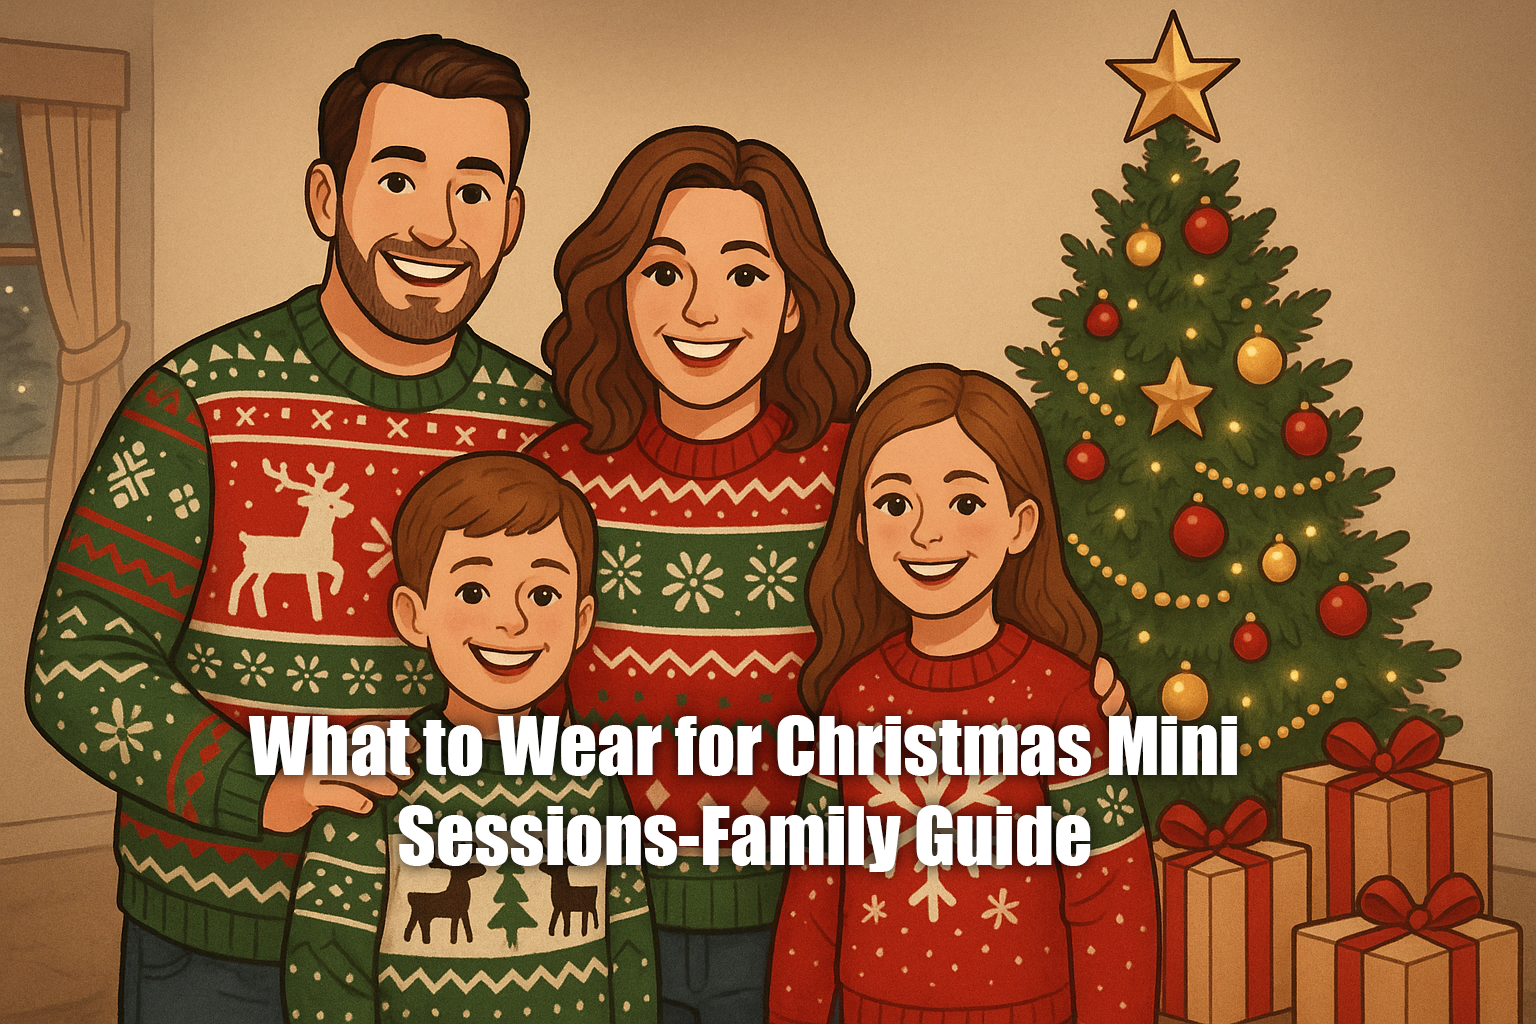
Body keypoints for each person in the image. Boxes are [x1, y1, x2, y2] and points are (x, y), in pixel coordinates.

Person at [532, 128, 1131, 1023]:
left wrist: (1076, 687)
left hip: (816, 928)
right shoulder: (558, 480)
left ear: (793, 305)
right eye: (663, 273)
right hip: (597, 927)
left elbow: (963, 622)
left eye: (743, 274)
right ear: (615, 293)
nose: (701, 311)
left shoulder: (866, 474)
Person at [26, 36, 563, 1023]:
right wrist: (254, 787)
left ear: (512, 219)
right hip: (216, 935)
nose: (436, 225)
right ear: (327, 196)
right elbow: (78, 660)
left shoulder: (548, 431)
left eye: (474, 190)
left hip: (462, 936)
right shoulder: (195, 400)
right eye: (398, 178)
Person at [768, 366, 1159, 1024]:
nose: (927, 534)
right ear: (859, 525)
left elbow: (1112, 896)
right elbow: (813, 897)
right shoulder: (851, 699)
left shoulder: (1063, 698)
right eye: (895, 504)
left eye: (966, 503)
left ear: (1020, 523)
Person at [282, 452, 658, 1023]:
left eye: (543, 595)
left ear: (581, 622)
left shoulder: (594, 773)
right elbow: (326, 964)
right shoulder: (375, 773)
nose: (512, 622)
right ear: (415, 615)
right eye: (475, 593)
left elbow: (629, 948)